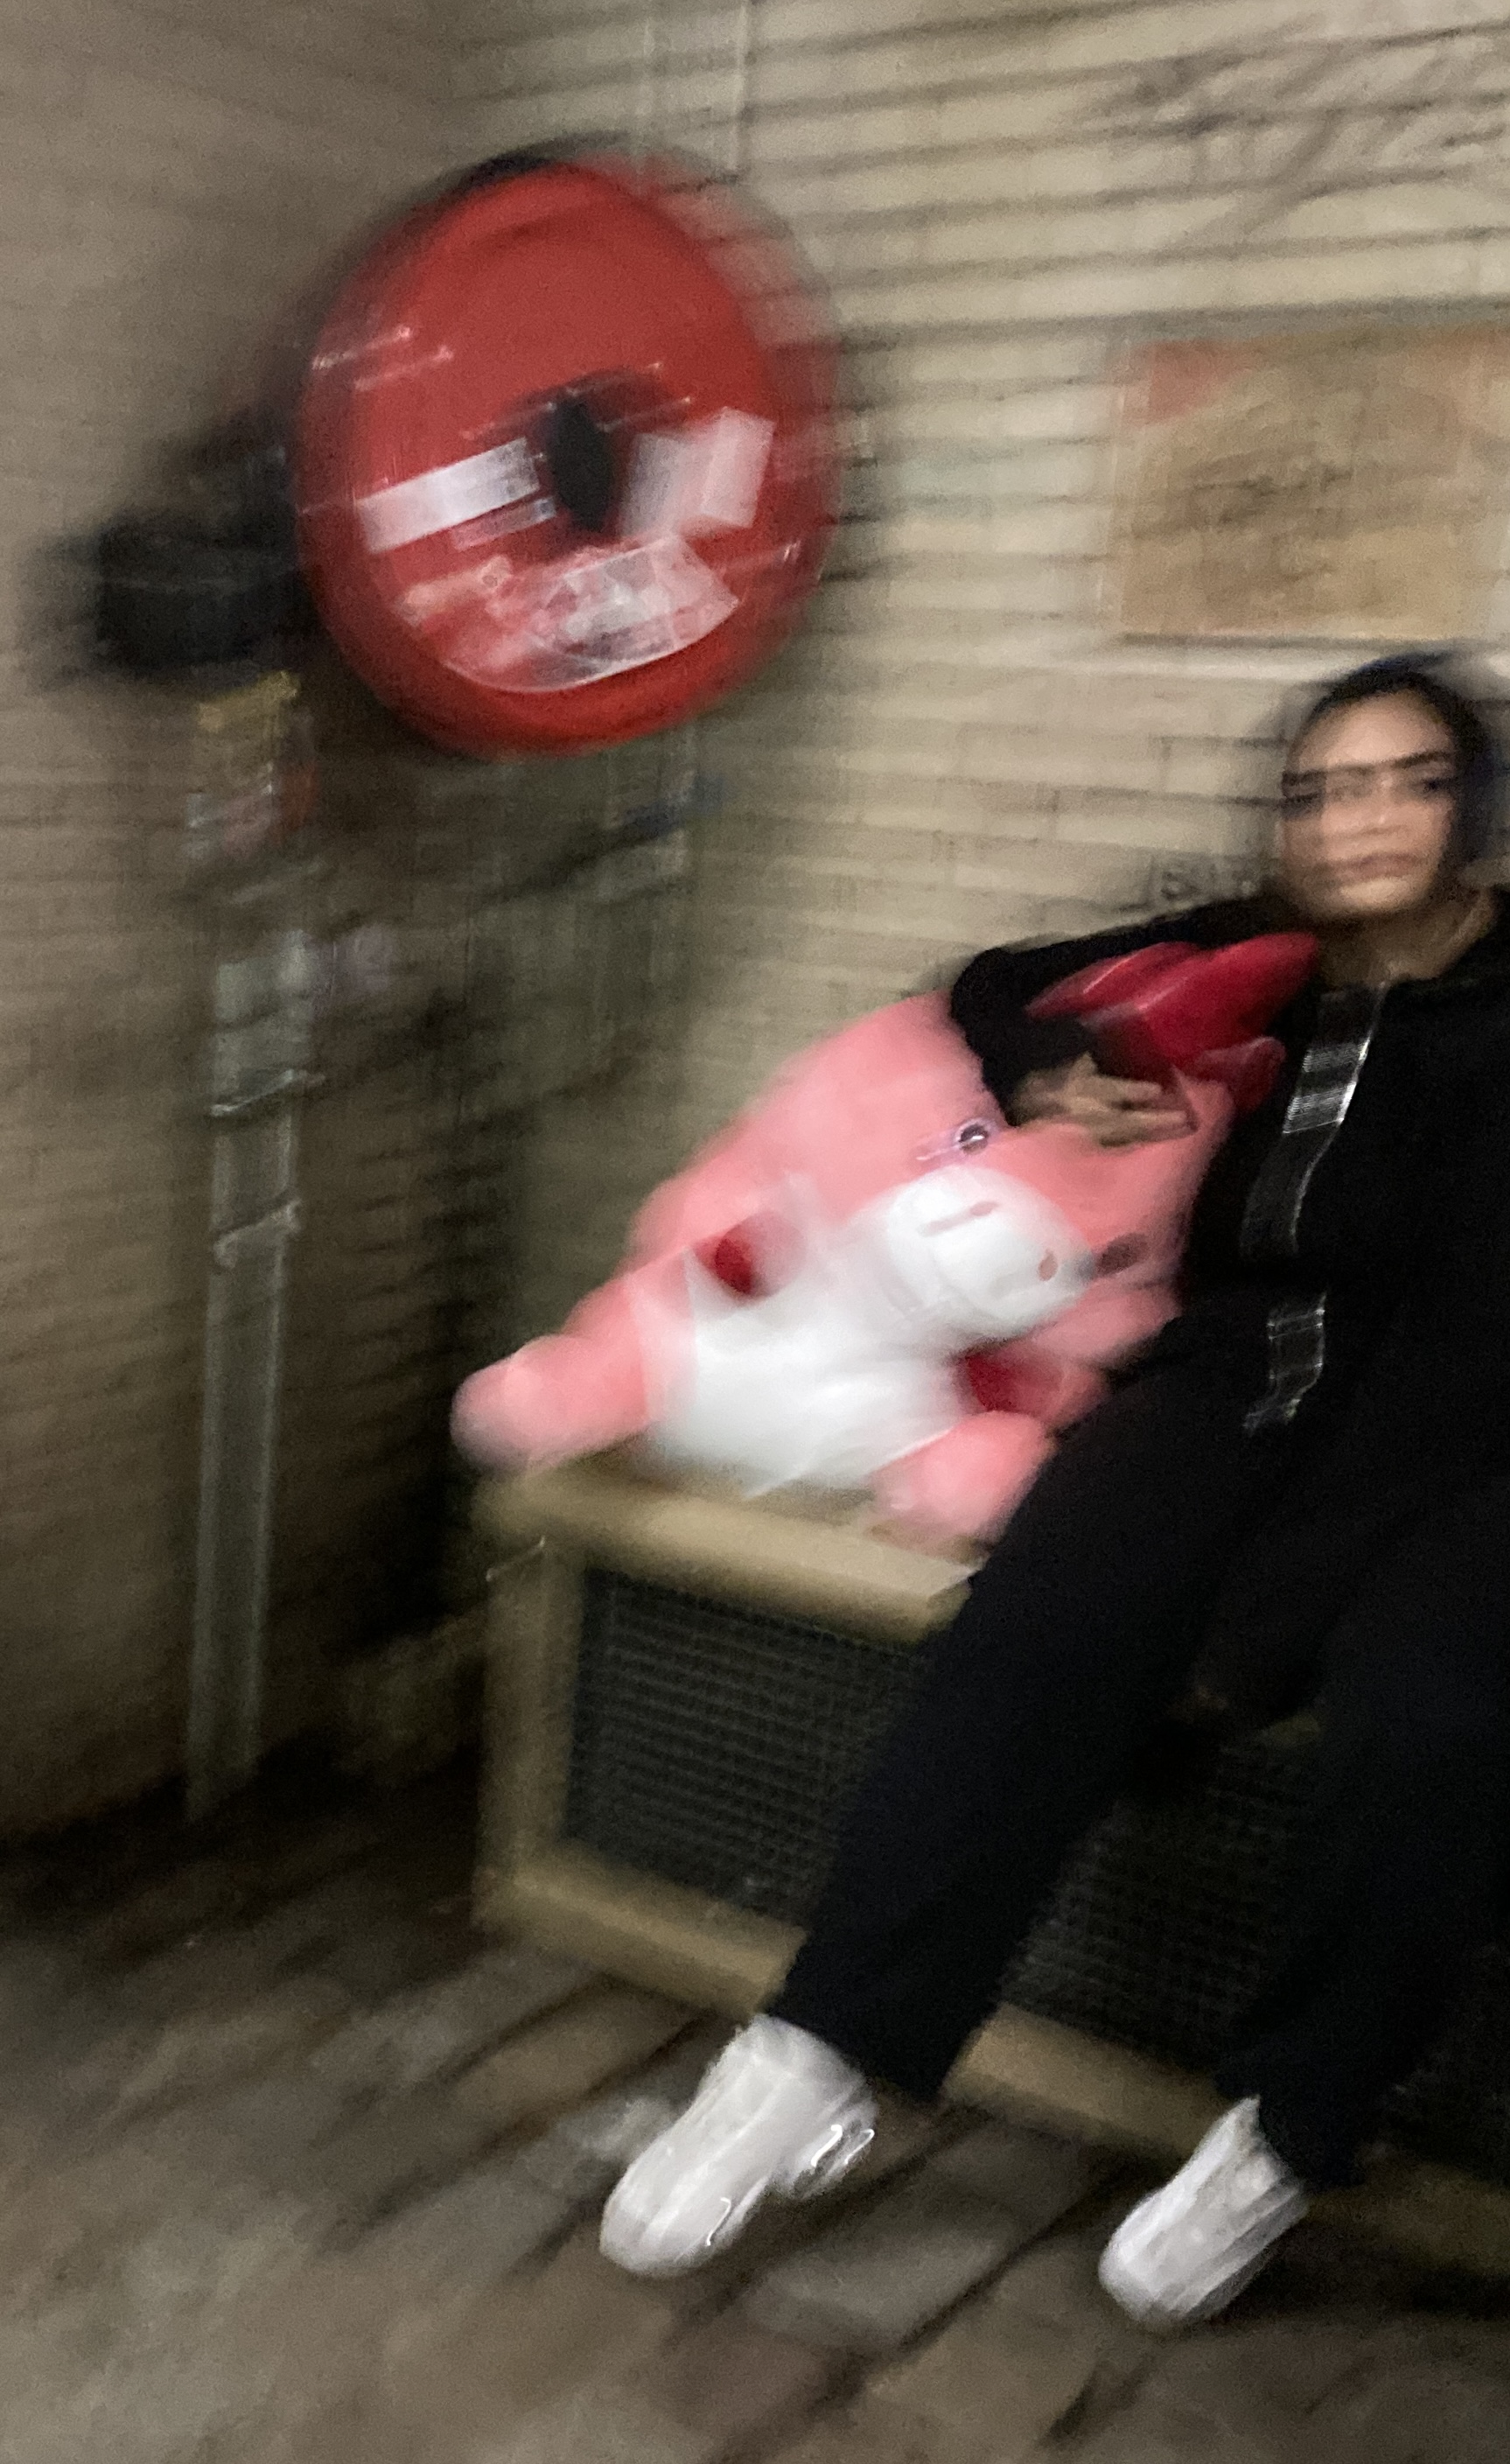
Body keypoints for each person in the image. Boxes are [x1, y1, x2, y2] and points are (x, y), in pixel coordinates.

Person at [598, 653, 1510, 2328]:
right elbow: (992, 985)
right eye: (1321, 790)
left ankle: (1291, 2129)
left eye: (1409, 781)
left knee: (1427, 1718)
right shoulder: (1263, 958)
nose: (1359, 820)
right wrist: (1051, 1063)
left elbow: (1458, 1351)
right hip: (1231, 1374)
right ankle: (821, 2045)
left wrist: (1259, 1628)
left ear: (1475, 804)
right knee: (1033, 1616)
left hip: (1464, 1427)